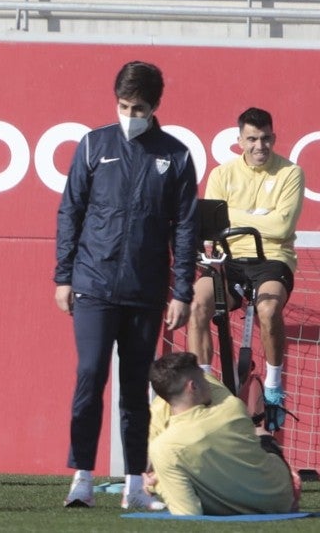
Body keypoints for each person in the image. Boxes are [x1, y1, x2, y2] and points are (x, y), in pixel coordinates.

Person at [54, 60, 199, 510]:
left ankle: (135, 484)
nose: (129, 115)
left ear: (154, 107)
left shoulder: (176, 155)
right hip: (93, 285)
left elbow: (186, 230)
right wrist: (63, 277)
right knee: (90, 375)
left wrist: (181, 291)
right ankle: (81, 478)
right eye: (123, 106)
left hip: (145, 290)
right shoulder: (94, 144)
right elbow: (70, 211)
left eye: (138, 108)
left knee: (136, 388)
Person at [186, 107, 304, 432]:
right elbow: (213, 227)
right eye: (252, 139)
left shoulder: (291, 173)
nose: (259, 146)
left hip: (272, 259)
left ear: (273, 138)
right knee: (197, 305)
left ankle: (274, 388)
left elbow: (282, 227)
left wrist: (233, 214)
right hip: (229, 260)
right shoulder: (221, 174)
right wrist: (260, 216)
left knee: (268, 309)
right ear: (239, 141)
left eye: (265, 138)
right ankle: (205, 392)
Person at [147, 352, 296, 516]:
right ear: (193, 386)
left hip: (236, 508)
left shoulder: (163, 448)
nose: (208, 382)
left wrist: (157, 484)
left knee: (176, 469)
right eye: (203, 378)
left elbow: (188, 514)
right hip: (283, 497)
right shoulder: (233, 408)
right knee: (259, 431)